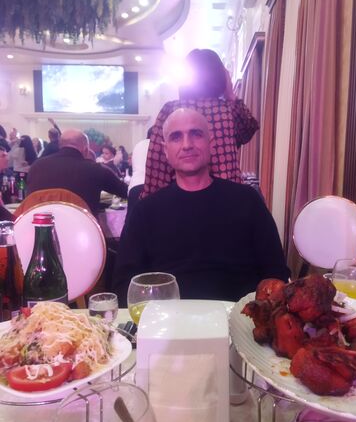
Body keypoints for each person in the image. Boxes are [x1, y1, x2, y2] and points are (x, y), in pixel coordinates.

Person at [113, 108, 289, 304]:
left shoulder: (247, 200)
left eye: (196, 134)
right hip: (169, 317)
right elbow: (125, 283)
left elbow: (276, 271)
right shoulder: (145, 211)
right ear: (166, 150)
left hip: (240, 315)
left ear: (210, 144)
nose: (187, 145)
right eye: (176, 137)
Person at [141, 48, 259, 198]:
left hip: (181, 199)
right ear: (221, 76)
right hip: (228, 198)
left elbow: (157, 166)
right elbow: (249, 130)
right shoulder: (228, 110)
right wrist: (230, 94)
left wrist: (151, 203)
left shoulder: (171, 110)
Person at [26, 129, 128, 216]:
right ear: (86, 149)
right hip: (83, 230)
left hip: (40, 229)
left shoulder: (36, 166)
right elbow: (127, 192)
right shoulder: (96, 169)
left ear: (60, 146)